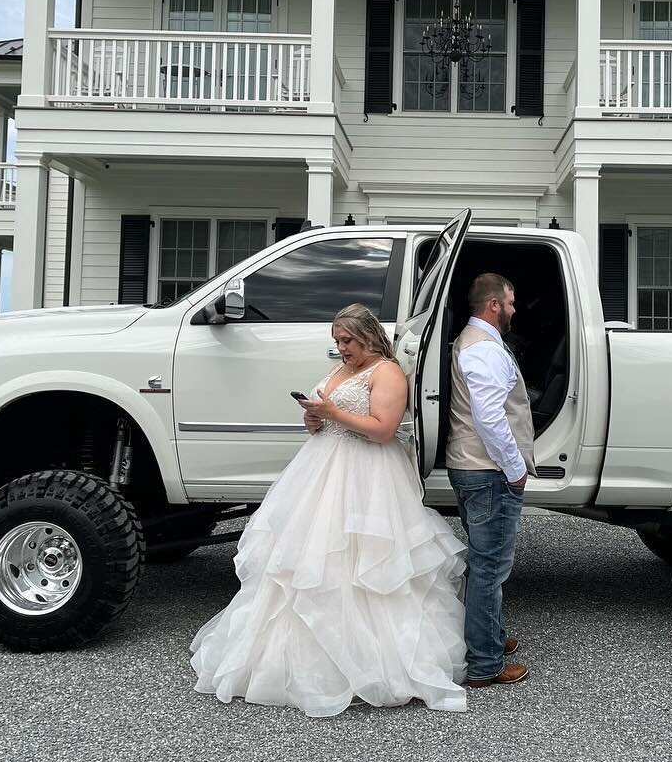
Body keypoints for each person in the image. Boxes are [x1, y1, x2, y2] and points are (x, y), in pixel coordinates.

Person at [190, 303, 468, 717]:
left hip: (367, 474)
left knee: (363, 561)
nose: (341, 349)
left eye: (348, 341)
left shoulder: (386, 372)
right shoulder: (342, 370)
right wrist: (315, 420)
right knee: (304, 559)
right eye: (337, 342)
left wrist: (333, 412)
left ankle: (376, 662)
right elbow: (328, 416)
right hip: (322, 464)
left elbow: (384, 429)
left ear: (370, 337)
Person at [445, 273, 536, 688]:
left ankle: (491, 636)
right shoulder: (483, 348)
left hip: (472, 468)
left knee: (485, 562)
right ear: (494, 305)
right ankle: (485, 662)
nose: (515, 310)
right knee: (490, 568)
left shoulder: (471, 341)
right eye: (511, 303)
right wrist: (515, 468)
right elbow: (489, 416)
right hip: (488, 472)